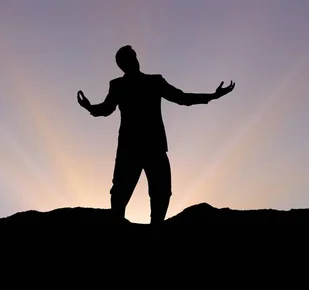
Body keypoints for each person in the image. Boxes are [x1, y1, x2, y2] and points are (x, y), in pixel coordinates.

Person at [77, 45, 235, 225]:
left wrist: (213, 96)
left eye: (134, 57)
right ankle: (117, 229)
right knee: (120, 192)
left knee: (162, 192)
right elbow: (106, 109)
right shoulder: (118, 85)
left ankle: (156, 229)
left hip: (154, 147)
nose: (133, 61)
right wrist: (90, 107)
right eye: (128, 59)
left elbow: (181, 98)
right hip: (129, 149)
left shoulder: (154, 81)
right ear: (122, 64)